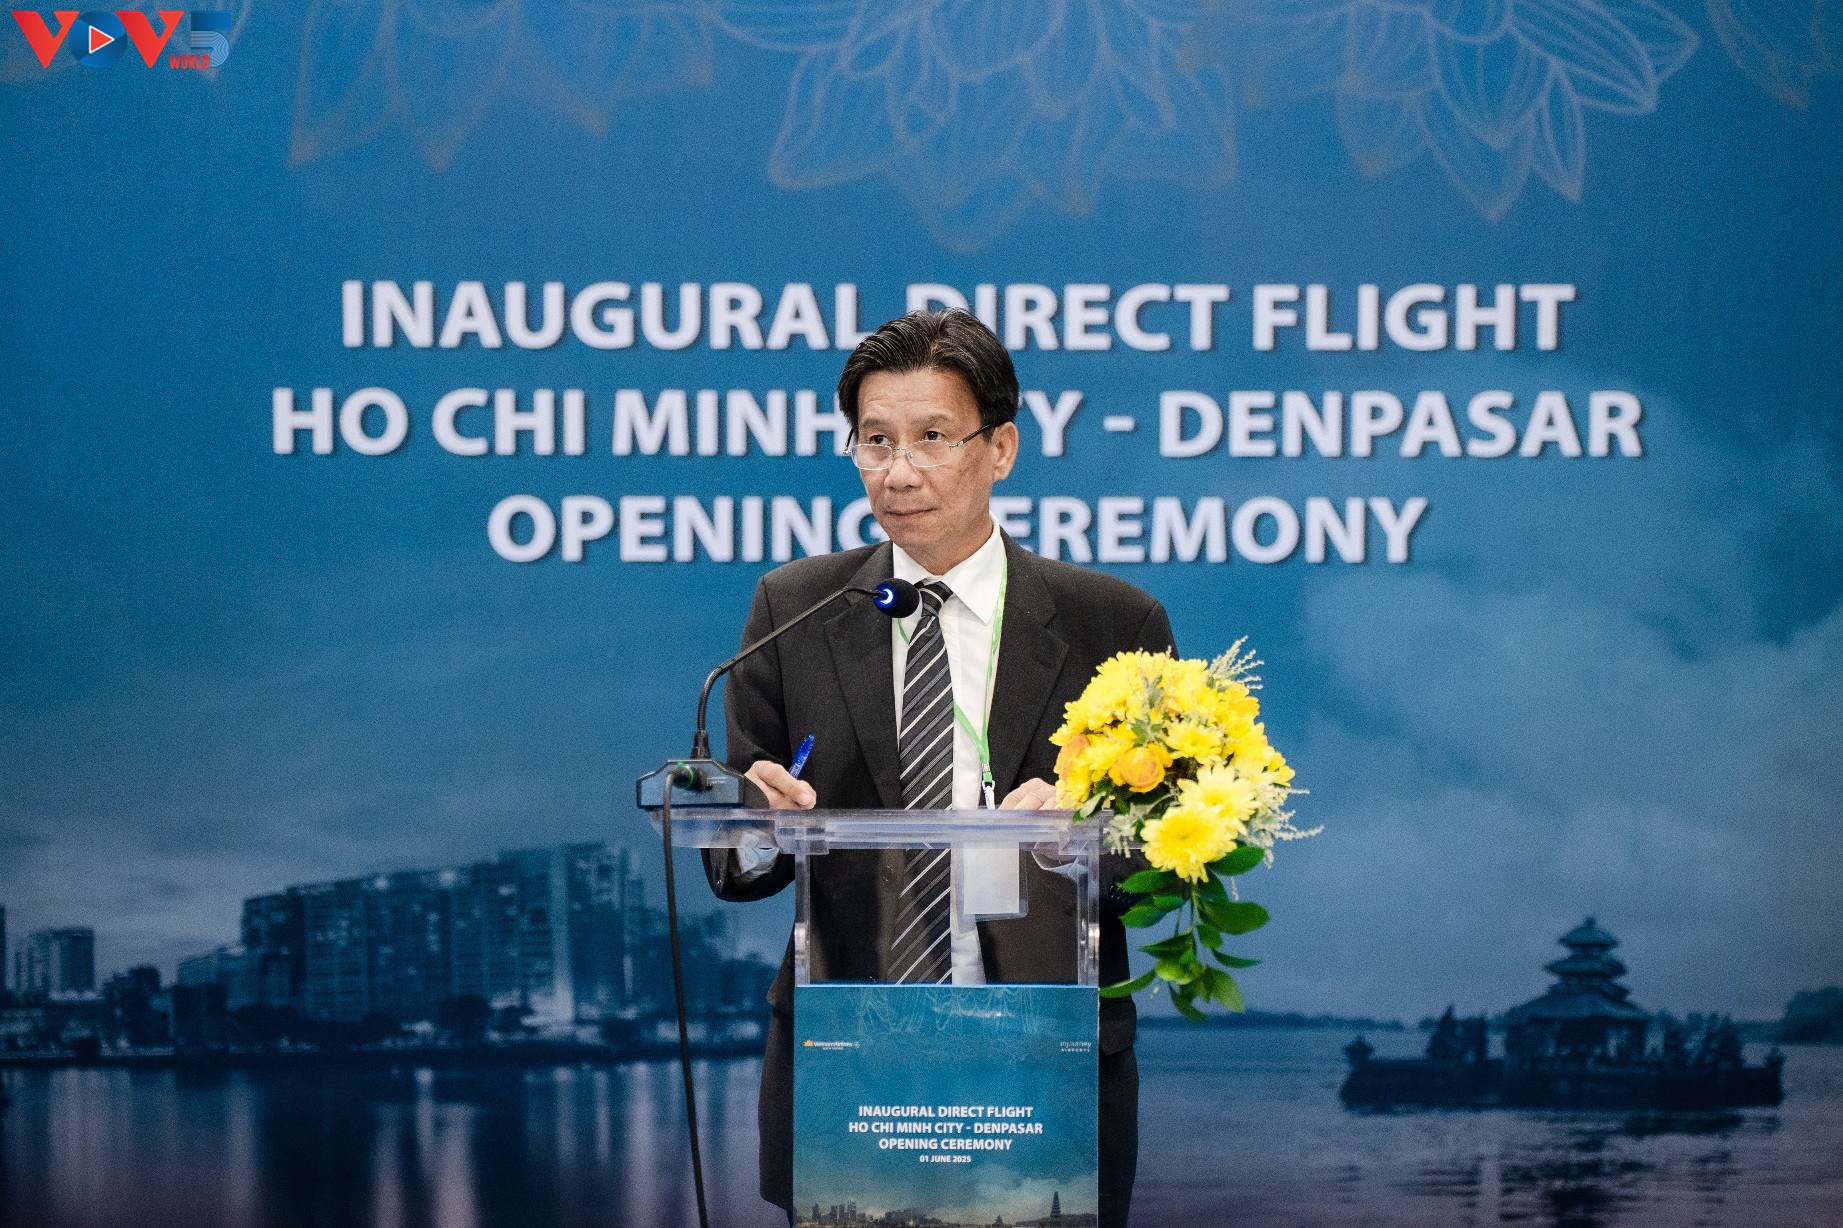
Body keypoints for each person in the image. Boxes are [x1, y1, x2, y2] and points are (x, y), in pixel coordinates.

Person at [704, 310, 1173, 1228]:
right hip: (852, 1060)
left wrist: (1079, 843)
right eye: (874, 440)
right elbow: (733, 860)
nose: (899, 471)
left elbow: (1162, 860)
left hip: (1039, 1057)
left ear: (1000, 448)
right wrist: (758, 824)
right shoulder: (794, 609)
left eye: (931, 437)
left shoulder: (1112, 624)